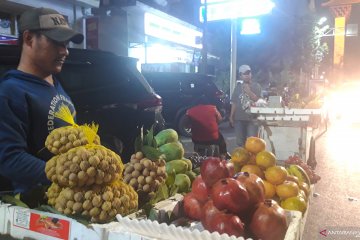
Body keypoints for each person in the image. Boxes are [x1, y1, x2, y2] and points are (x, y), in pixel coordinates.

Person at [0, 7, 84, 193]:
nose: (65, 51)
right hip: (38, 210)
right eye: (57, 42)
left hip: (71, 201)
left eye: (66, 44)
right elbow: (9, 159)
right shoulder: (11, 91)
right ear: (29, 38)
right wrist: (71, 174)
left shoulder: (54, 82)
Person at [229, 65, 262, 147]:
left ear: (251, 74)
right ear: (240, 76)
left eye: (248, 73)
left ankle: (252, 158)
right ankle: (244, 158)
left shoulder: (256, 86)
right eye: (244, 74)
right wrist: (231, 116)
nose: (247, 75)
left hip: (252, 119)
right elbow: (234, 102)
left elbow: (258, 101)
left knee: (253, 142)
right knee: (240, 142)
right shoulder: (238, 87)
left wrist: (249, 91)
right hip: (239, 119)